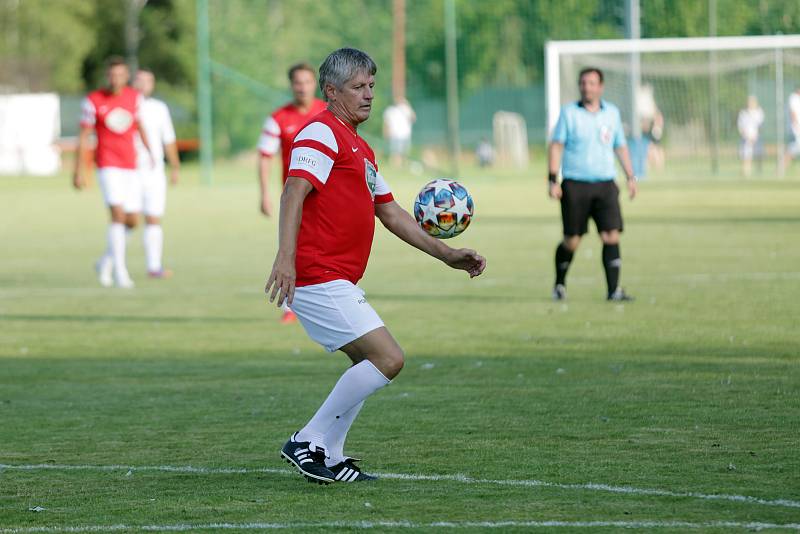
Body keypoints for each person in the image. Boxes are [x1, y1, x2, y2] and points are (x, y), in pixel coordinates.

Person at [266, 48, 486, 484]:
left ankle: (329, 454)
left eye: (371, 86)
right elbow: (294, 191)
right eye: (357, 87)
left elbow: (391, 213)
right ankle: (306, 440)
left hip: (336, 277)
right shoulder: (321, 133)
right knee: (388, 358)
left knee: (365, 364)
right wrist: (285, 258)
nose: (368, 95)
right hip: (318, 275)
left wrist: (449, 256)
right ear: (331, 92)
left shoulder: (361, 147)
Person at [547, 67, 638, 302]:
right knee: (572, 240)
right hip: (575, 185)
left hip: (606, 184)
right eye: (583, 83)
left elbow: (620, 145)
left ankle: (613, 290)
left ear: (600, 87)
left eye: (591, 83)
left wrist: (630, 175)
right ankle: (559, 284)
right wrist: (552, 179)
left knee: (611, 236)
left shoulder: (612, 114)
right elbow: (556, 145)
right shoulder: (569, 113)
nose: (587, 87)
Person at [74, 56, 153, 289]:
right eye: (112, 74)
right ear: (107, 76)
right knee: (117, 215)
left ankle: (105, 262)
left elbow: (140, 127)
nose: (115, 78)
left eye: (120, 74)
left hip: (131, 164)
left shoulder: (134, 98)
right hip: (108, 165)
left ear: (126, 76)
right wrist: (79, 170)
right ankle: (120, 271)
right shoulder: (93, 101)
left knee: (132, 221)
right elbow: (84, 136)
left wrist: (150, 153)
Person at [257, 62, 327, 324]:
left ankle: (323, 296)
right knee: (293, 246)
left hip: (328, 193)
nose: (303, 87)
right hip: (297, 196)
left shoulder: (328, 112)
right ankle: (290, 305)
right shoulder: (278, 118)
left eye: (308, 82)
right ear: (291, 85)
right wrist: (264, 194)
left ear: (315, 84)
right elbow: (264, 156)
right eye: (298, 82)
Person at [131, 68, 181, 278]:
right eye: (140, 80)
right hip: (130, 171)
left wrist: (175, 166)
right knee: (128, 220)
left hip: (154, 172)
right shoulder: (127, 105)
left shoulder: (159, 108)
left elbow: (167, 139)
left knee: (153, 218)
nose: (144, 84)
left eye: (148, 80)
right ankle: (108, 261)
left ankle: (153, 266)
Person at [382, 97, 416, 167]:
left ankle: (403, 167)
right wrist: (386, 133)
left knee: (405, 154)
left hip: (405, 135)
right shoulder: (390, 110)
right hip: (395, 135)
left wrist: (408, 105)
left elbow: (413, 118)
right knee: (395, 154)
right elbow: (386, 123)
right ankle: (395, 167)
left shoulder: (405, 109)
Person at [737, 95, 764, 177]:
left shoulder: (759, 112)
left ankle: (757, 170)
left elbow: (760, 125)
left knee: (758, 155)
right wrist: (746, 135)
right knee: (746, 155)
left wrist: (755, 136)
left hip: (755, 137)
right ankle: (746, 172)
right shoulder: (743, 113)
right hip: (746, 137)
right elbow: (741, 126)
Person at [782, 87, 800, 172]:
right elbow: (793, 113)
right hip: (796, 130)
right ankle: (780, 169)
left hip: (796, 129)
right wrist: (796, 125)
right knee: (792, 150)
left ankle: (781, 169)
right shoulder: (793, 98)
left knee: (792, 150)